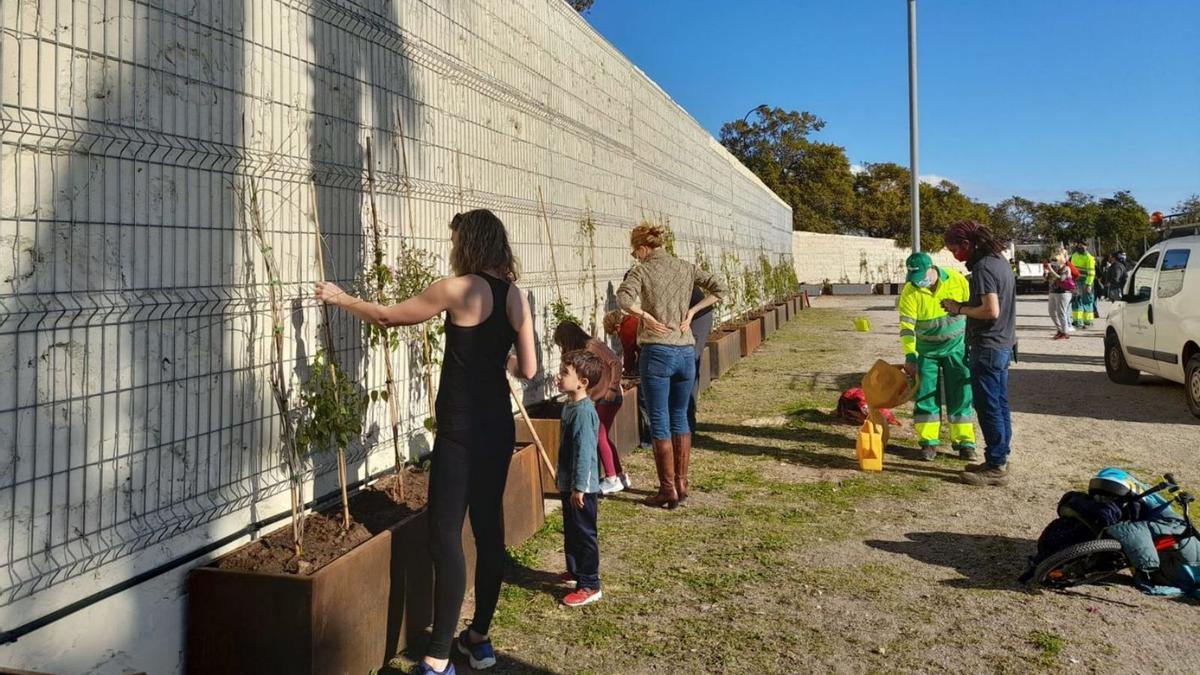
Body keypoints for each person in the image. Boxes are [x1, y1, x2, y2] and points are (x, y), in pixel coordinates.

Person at [315, 209, 536, 675]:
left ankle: (437, 659)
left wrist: (340, 298)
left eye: (456, 239)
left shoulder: (455, 288)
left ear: (468, 244)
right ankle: (478, 640)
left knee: (445, 535)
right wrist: (503, 361)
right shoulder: (516, 296)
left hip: (460, 430)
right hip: (497, 425)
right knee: (489, 530)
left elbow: (388, 317)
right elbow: (530, 369)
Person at [617, 222, 726, 509]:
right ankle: (682, 483)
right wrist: (693, 311)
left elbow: (623, 298)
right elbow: (720, 288)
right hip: (685, 350)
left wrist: (644, 315)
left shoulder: (642, 270)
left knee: (659, 420)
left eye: (634, 251)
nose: (635, 257)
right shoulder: (686, 267)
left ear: (642, 248)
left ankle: (667, 489)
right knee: (680, 417)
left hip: (657, 351)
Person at [939, 220, 1016, 487]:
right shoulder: (1000, 262)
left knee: (988, 407)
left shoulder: (983, 268)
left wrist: (958, 308)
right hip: (1003, 344)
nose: (954, 256)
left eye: (954, 250)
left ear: (967, 244)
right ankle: (999, 457)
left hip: (988, 346)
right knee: (1000, 405)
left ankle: (996, 466)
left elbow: (990, 310)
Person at [897, 251, 977, 461]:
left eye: (921, 276)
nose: (918, 282)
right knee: (925, 396)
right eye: (914, 279)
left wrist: (972, 342)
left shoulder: (956, 280)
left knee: (961, 394)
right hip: (926, 353)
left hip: (957, 349)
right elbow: (907, 327)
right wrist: (910, 356)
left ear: (932, 269)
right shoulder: (910, 291)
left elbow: (972, 309)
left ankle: (964, 443)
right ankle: (928, 443)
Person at [554, 350, 605, 607]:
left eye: (564, 373)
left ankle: (589, 583)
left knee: (584, 533)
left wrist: (580, 487)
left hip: (581, 488)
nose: (558, 377)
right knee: (572, 531)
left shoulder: (584, 413)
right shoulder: (569, 406)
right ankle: (575, 570)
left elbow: (585, 451)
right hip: (570, 483)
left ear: (582, 382)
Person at [553, 320, 629, 494]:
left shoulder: (593, 345)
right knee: (603, 436)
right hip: (599, 398)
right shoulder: (580, 352)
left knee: (598, 436)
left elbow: (616, 363)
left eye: (562, 343)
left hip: (609, 397)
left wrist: (612, 387)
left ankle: (611, 478)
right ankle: (619, 475)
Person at [686, 285, 715, 433]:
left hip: (699, 317)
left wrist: (692, 311)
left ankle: (689, 421)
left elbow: (718, 289)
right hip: (688, 317)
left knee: (691, 365)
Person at [1044, 251, 1076, 340]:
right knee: (1051, 312)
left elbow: (1061, 279)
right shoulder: (1053, 268)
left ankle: (1065, 332)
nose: (1053, 262)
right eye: (1052, 260)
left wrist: (1051, 270)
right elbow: (1047, 279)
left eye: (1055, 260)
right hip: (1053, 291)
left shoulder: (1066, 268)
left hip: (1063, 292)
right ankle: (1060, 329)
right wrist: (1046, 273)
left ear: (1061, 260)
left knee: (1061, 312)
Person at [1069, 240, 1097, 329]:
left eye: (1083, 245)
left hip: (1085, 282)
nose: (1080, 247)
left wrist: (1088, 284)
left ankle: (1088, 322)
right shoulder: (1074, 256)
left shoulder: (1089, 258)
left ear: (1086, 247)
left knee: (1087, 301)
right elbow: (1071, 270)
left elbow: (1091, 273)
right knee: (1076, 301)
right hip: (1076, 282)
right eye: (1079, 245)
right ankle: (1077, 321)